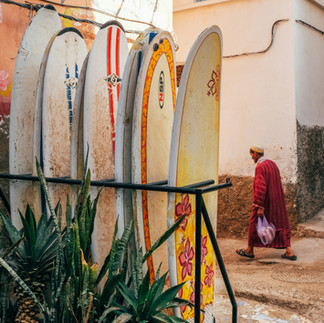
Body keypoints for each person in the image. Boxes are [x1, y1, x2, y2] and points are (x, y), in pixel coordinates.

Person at [236, 144, 297, 260]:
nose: (251, 157)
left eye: (252, 154)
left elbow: (260, 187)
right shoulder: (272, 164)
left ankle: (249, 250)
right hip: (277, 201)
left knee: (254, 223)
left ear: (256, 153)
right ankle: (289, 251)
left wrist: (259, 205)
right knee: (280, 224)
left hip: (265, 202)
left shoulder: (260, 167)